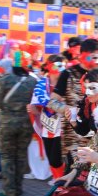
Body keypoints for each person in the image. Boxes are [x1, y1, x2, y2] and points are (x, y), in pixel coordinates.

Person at [0, 51, 37, 196]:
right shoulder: (33, 81)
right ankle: (19, 187)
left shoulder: (5, 79)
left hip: (7, 124)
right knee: (21, 154)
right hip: (26, 123)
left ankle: (9, 190)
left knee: (7, 156)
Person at [51, 38, 98, 169]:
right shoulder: (68, 74)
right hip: (74, 136)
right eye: (95, 57)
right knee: (75, 174)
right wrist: (66, 109)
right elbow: (52, 101)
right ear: (85, 56)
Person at [29, 55, 67, 183]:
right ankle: (57, 180)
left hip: (63, 127)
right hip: (47, 127)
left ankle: (61, 182)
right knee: (51, 158)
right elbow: (35, 108)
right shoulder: (41, 84)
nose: (61, 69)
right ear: (50, 66)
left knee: (57, 158)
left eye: (63, 65)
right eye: (58, 65)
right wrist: (32, 108)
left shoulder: (67, 83)